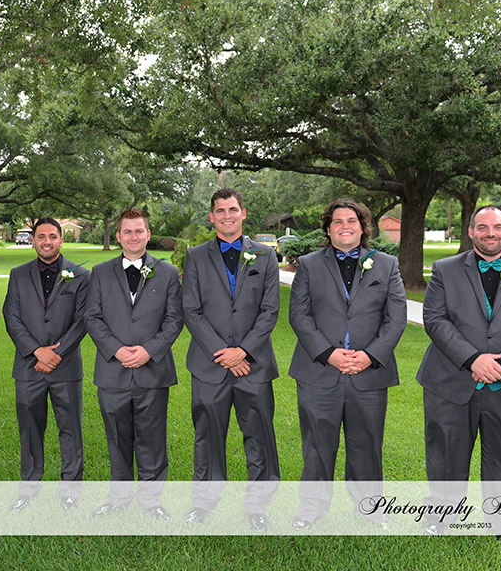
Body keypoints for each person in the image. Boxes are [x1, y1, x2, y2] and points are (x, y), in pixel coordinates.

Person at [417, 205, 501, 551]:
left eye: (497, 227)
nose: (490, 233)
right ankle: (442, 517)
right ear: (471, 231)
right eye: (482, 227)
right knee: (446, 453)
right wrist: (472, 359)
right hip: (451, 381)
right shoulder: (445, 270)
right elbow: (434, 319)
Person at [288, 199, 407, 529]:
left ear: (362, 227)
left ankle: (371, 510)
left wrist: (370, 356)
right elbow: (298, 315)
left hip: (369, 375)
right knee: (316, 446)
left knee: (367, 447)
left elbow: (396, 318)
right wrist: (328, 353)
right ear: (328, 229)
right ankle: (311, 509)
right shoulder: (309, 265)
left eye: (351, 221)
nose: (345, 226)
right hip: (318, 373)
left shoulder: (386, 265)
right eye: (337, 221)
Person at [182, 187, 280, 529]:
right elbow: (191, 310)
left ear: (243, 213)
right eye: (220, 210)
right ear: (212, 217)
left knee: (259, 437)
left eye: (233, 209)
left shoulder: (265, 256)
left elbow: (270, 310)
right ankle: (203, 504)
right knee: (207, 438)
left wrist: (244, 351)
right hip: (209, 366)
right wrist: (224, 355)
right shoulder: (195, 256)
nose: (227, 216)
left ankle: (258, 507)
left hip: (254, 365)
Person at [84, 208, 183, 520]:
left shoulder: (167, 273)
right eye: (127, 231)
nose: (133, 236)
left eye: (139, 230)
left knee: (152, 438)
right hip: (112, 372)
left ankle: (151, 500)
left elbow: (174, 320)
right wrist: (116, 350)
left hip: (153, 371)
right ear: (118, 236)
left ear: (148, 234)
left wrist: (149, 351)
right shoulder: (100, 273)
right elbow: (92, 317)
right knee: (117, 438)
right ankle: (119, 498)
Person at [2, 217, 89, 512]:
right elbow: (11, 317)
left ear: (61, 240)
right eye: (41, 236)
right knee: (29, 430)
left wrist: (56, 353)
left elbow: (83, 320)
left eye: (52, 236)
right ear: (34, 241)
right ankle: (28, 489)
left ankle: (70, 491)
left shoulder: (80, 275)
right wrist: (36, 351)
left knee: (70, 429)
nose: (47, 241)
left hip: (66, 367)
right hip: (28, 367)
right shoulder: (18, 275)